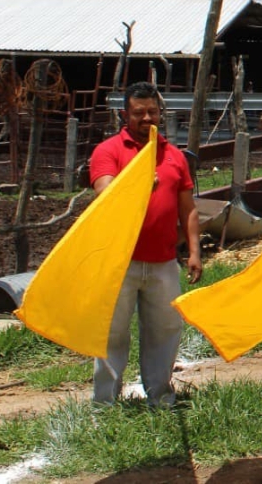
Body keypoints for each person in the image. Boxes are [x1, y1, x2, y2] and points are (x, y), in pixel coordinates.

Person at [88, 82, 202, 408]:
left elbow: (188, 209)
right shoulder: (108, 151)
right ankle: (104, 403)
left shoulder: (174, 156)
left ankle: (161, 396)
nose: (146, 118)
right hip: (119, 262)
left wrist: (194, 252)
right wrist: (135, 183)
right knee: (113, 334)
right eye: (139, 113)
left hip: (164, 261)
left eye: (152, 111)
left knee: (165, 330)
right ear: (125, 114)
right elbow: (106, 194)